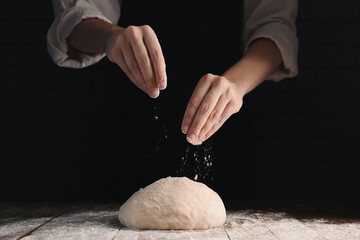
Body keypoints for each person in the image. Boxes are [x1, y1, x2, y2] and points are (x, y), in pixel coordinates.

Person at [47, 0, 298, 201]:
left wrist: (236, 84)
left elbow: (275, 26)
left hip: (222, 122)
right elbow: (72, 19)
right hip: (131, 125)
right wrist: (111, 37)